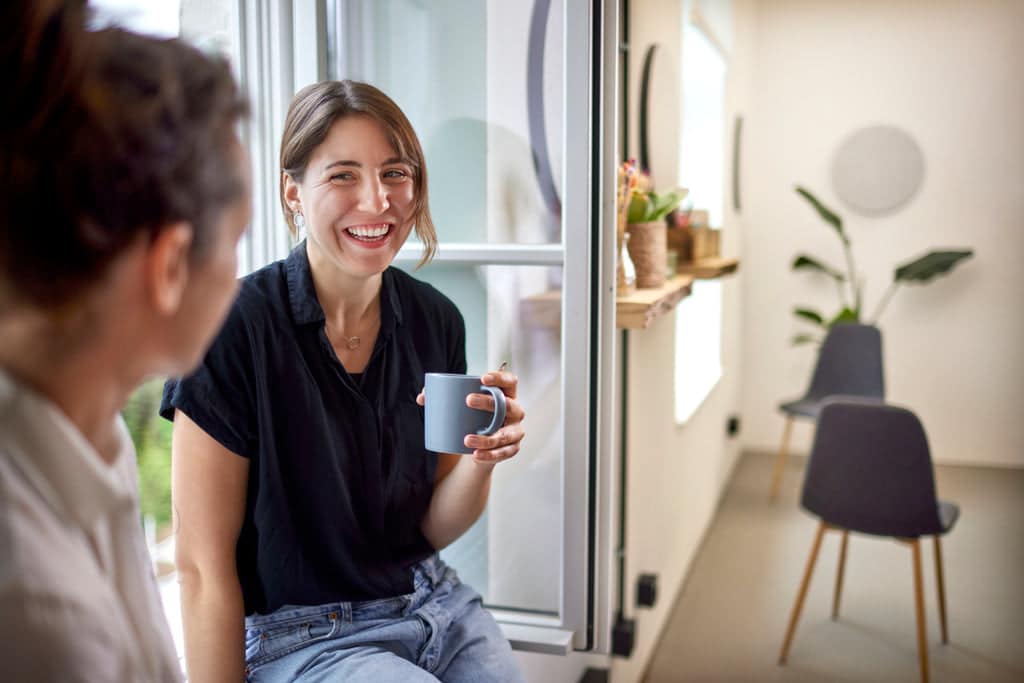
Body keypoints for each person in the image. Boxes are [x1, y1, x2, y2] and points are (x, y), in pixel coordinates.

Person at [160, 79, 527, 682]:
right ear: (293, 192)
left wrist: (483, 457)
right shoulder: (231, 328)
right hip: (300, 639)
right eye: (343, 176)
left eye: (395, 173)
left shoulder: (437, 320)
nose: (378, 201)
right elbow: (201, 567)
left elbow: (431, 525)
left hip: (434, 606)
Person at [0, 4, 251, 681]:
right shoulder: (41, 619)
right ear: (170, 266)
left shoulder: (89, 436)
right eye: (237, 240)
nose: (240, 273)